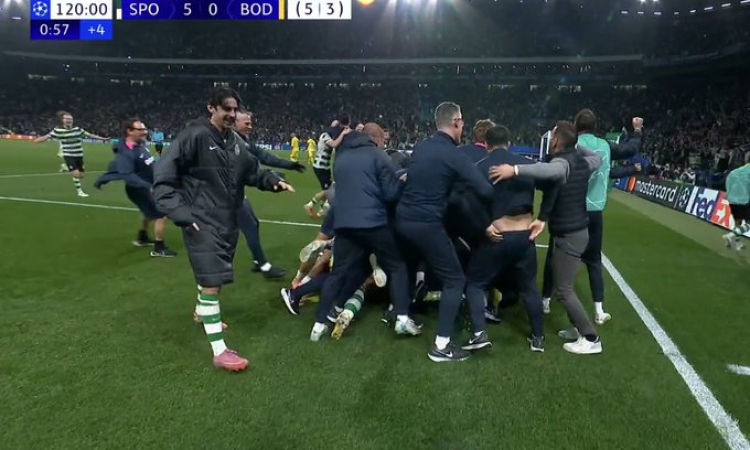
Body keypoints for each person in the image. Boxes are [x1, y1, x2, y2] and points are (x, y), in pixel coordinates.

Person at [152, 87, 294, 372]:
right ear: (211, 108)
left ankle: (200, 311)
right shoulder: (194, 135)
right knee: (212, 279)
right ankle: (220, 351)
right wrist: (181, 213)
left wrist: (272, 181)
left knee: (212, 273)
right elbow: (164, 177)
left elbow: (252, 171)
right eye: (226, 109)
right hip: (199, 219)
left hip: (227, 220)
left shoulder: (235, 142)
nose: (231, 114)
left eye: (234, 109)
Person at [490, 121, 603, 355]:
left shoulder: (562, 163)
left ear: (557, 141)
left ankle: (591, 338)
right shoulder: (583, 161)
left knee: (563, 290)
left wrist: (515, 170)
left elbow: (553, 171)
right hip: (577, 231)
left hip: (569, 234)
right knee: (563, 286)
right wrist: (574, 144)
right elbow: (597, 158)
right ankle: (579, 327)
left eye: (553, 136)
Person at [395, 102, 493, 362]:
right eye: (462, 123)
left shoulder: (421, 147)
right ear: (457, 122)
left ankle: (400, 314)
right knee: (455, 280)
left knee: (406, 266)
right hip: (426, 223)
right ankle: (442, 346)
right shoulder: (454, 155)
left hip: (402, 220)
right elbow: (484, 190)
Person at [310, 123, 420, 341]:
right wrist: (400, 183)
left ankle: (319, 324)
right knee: (397, 266)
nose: (384, 143)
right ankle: (402, 319)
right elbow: (390, 194)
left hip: (345, 224)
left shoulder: (341, 158)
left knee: (338, 272)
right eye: (383, 139)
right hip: (373, 223)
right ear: (376, 138)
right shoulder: (378, 155)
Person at [541, 111, 644, 324]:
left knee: (554, 255)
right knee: (594, 260)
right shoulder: (605, 145)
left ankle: (545, 301)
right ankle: (599, 310)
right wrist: (637, 130)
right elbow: (630, 150)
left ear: (575, 124)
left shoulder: (570, 144)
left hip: (569, 209)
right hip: (594, 210)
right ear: (596, 125)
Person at [464, 125, 550, 352]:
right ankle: (538, 337)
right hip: (525, 235)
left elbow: (466, 202)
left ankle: (479, 333)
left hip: (498, 236)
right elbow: (554, 184)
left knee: (475, 283)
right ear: (509, 143)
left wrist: (484, 226)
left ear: (486, 144)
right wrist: (543, 217)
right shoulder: (527, 165)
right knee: (529, 287)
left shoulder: (481, 166)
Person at [235, 109, 306, 278]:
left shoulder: (243, 142)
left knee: (253, 223)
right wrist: (271, 178)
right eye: (246, 123)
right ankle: (264, 266)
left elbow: (264, 156)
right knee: (248, 226)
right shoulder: (233, 145)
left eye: (251, 122)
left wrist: (290, 165)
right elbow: (255, 169)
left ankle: (258, 261)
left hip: (236, 193)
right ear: (234, 123)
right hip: (226, 196)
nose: (250, 126)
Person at [94, 118, 176, 257]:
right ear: (130, 131)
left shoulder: (139, 144)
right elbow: (127, 174)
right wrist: (148, 186)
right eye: (141, 129)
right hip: (140, 188)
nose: (145, 132)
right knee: (162, 214)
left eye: (145, 129)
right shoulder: (126, 152)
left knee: (147, 212)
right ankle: (159, 248)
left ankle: (142, 238)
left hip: (147, 185)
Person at [34, 110, 108, 197]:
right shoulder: (58, 131)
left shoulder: (78, 130)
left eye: (70, 119)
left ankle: (66, 167)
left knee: (80, 174)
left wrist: (102, 139)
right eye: (66, 119)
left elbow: (90, 135)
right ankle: (80, 192)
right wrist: (37, 140)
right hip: (68, 154)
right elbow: (47, 137)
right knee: (76, 173)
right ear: (63, 120)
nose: (69, 120)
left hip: (79, 155)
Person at [305, 118, 351, 218]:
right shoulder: (325, 135)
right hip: (320, 167)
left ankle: (318, 207)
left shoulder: (330, 135)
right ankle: (316, 207)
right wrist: (343, 134)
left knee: (328, 188)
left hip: (324, 167)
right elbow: (334, 144)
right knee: (329, 190)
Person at [723, 152, 750, 250]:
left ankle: (734, 243)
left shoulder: (735, 171)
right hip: (745, 200)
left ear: (746, 159)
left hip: (733, 200)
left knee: (738, 222)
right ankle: (731, 235)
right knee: (748, 224)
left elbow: (728, 180)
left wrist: (728, 192)